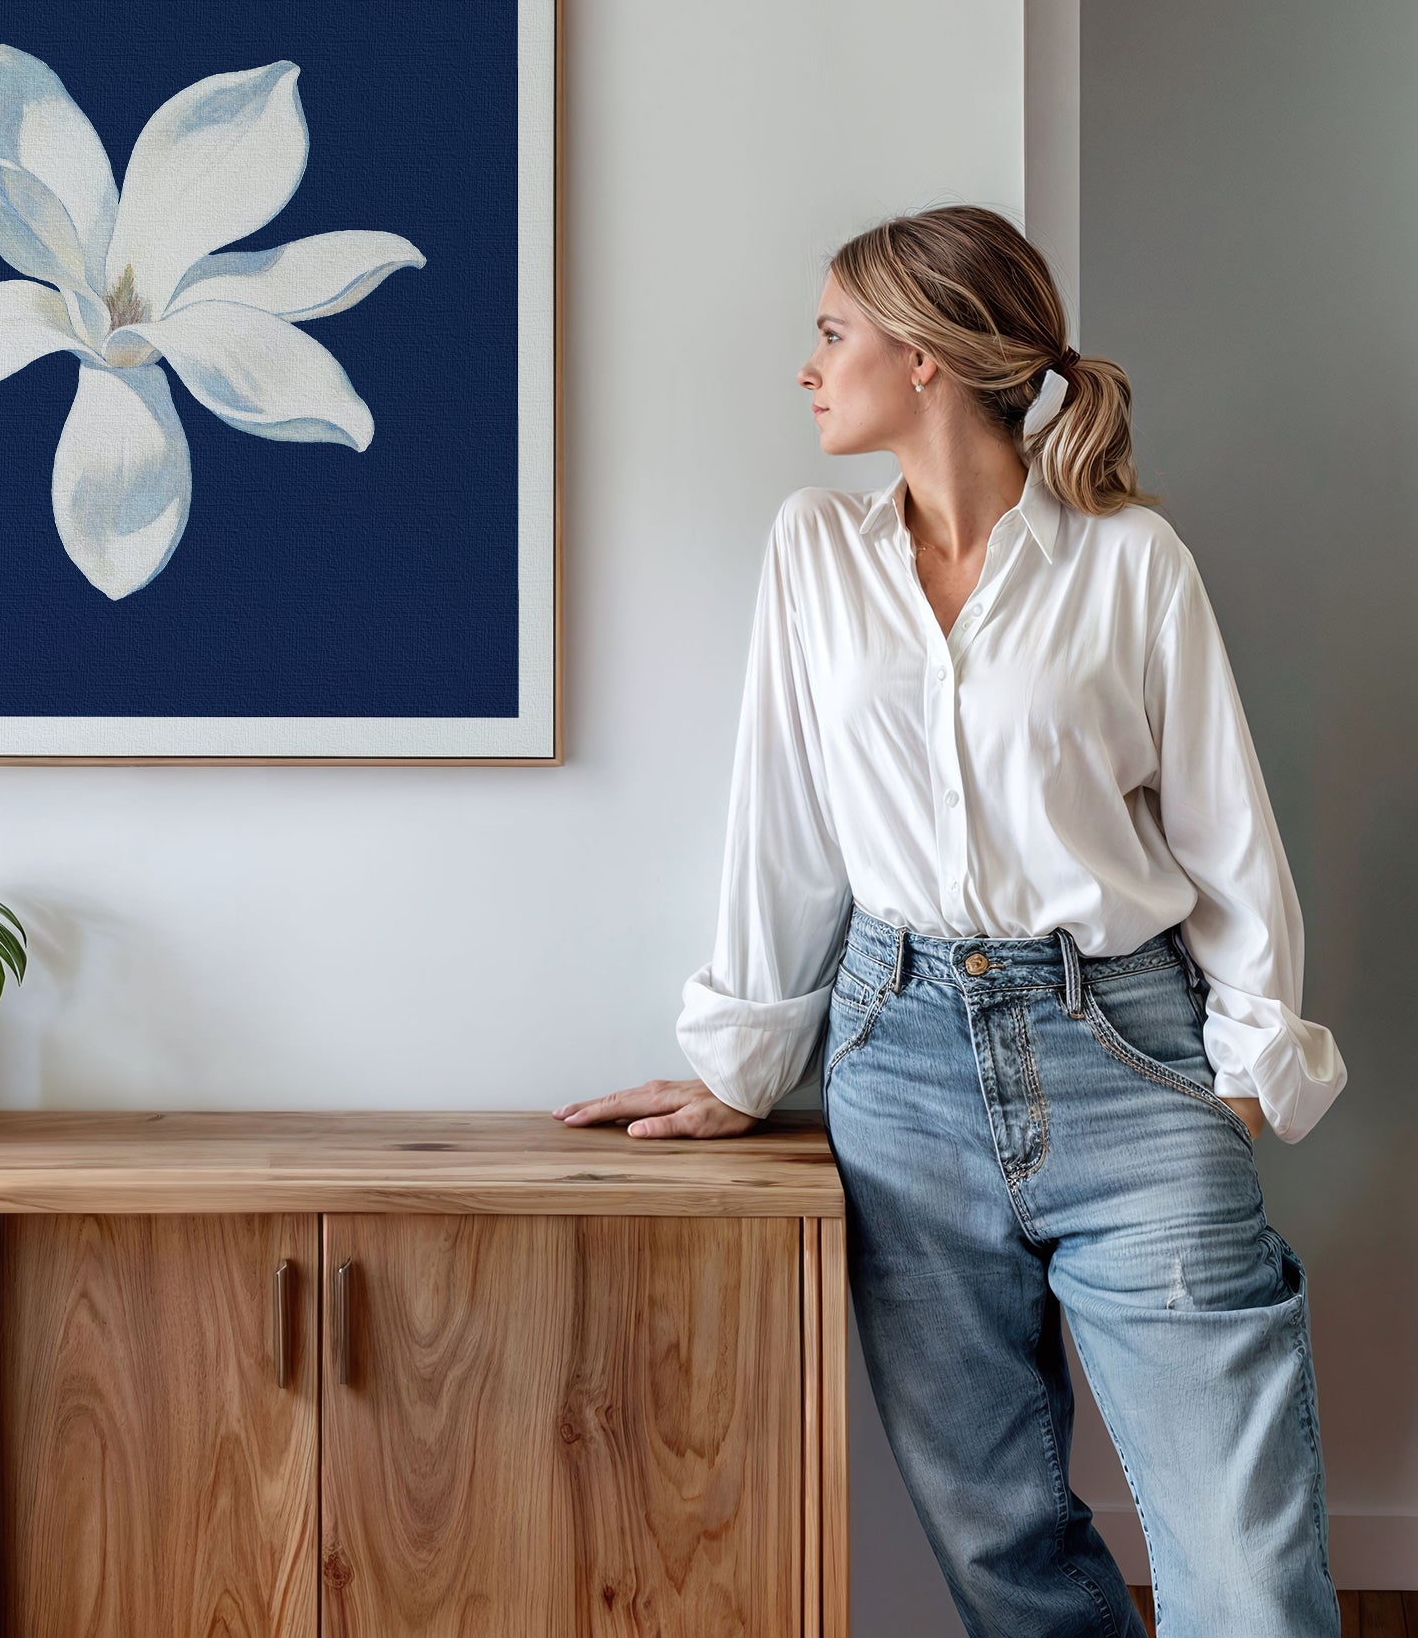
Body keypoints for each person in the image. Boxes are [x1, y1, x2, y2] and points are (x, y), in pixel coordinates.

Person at [554, 206, 1346, 1636]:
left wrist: (1244, 1069)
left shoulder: (1129, 562)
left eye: (831, 332)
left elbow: (1228, 832)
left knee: (1244, 1564)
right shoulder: (814, 553)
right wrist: (746, 1063)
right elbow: (780, 820)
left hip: (1130, 1051)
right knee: (1002, 1550)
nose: (808, 367)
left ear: (924, 359)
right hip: (898, 1062)